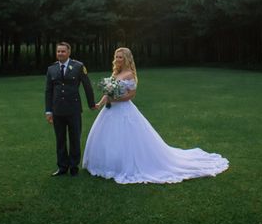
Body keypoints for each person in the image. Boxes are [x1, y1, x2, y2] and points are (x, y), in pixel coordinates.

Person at [83, 47, 229, 184]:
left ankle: (125, 165)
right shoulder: (115, 73)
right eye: (116, 57)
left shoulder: (129, 75)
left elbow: (130, 95)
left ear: (127, 59)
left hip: (124, 110)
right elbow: (108, 93)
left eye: (121, 57)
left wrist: (115, 99)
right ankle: (108, 165)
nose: (118, 59)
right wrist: (100, 103)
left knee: (126, 139)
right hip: (109, 111)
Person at [45, 41, 96, 177]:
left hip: (73, 110)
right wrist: (48, 110)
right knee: (60, 140)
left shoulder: (78, 66)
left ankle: (74, 167)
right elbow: (48, 91)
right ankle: (62, 167)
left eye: (63, 51)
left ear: (69, 52)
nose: (60, 53)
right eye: (58, 51)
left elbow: (87, 86)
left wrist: (91, 104)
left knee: (74, 139)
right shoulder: (51, 69)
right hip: (57, 111)